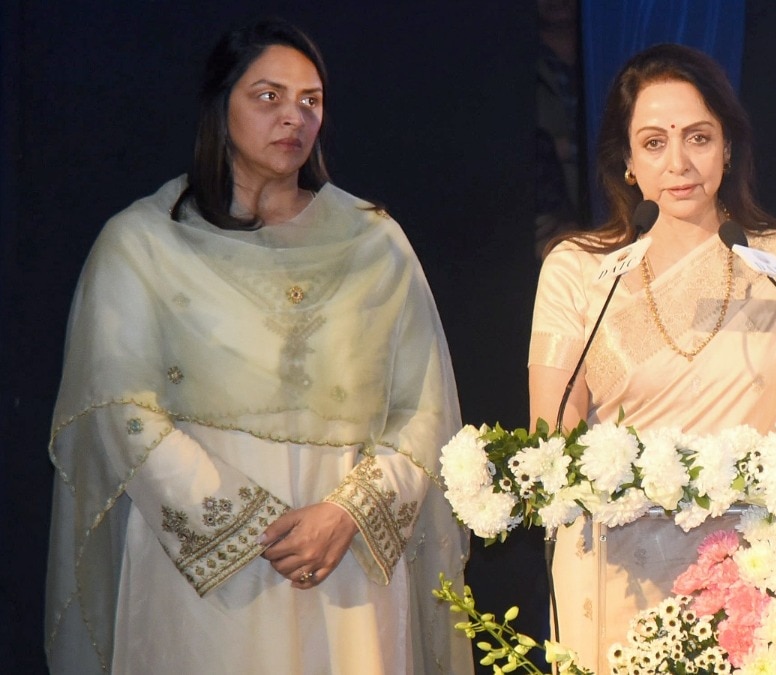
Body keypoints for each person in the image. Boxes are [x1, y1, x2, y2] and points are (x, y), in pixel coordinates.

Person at [44, 19, 470, 675]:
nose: (293, 117)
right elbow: (118, 409)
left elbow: (424, 409)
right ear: (221, 105)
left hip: (344, 554)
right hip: (200, 565)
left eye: (311, 100)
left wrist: (347, 512)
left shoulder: (374, 243)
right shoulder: (143, 244)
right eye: (268, 96)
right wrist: (246, 527)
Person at [528, 43, 776, 671]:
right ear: (629, 161)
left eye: (698, 136)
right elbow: (550, 436)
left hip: (754, 583)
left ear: (727, 147)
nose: (679, 162)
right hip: (618, 579)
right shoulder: (581, 270)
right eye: (655, 142)